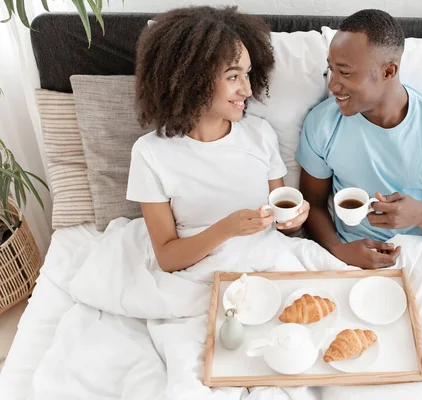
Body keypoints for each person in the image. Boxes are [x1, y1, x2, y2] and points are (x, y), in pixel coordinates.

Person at [296, 9, 422, 270]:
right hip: (347, 257)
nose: (332, 85)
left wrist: (421, 214)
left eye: (345, 72)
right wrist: (340, 250)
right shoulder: (323, 123)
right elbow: (314, 205)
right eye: (331, 70)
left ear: (389, 71)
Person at [127, 6, 309, 273]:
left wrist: (293, 221)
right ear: (192, 80)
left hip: (267, 261)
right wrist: (226, 229)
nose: (247, 89)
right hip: (200, 273)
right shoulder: (150, 153)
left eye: (247, 74)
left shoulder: (260, 133)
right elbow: (167, 258)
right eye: (233, 76)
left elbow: (278, 218)